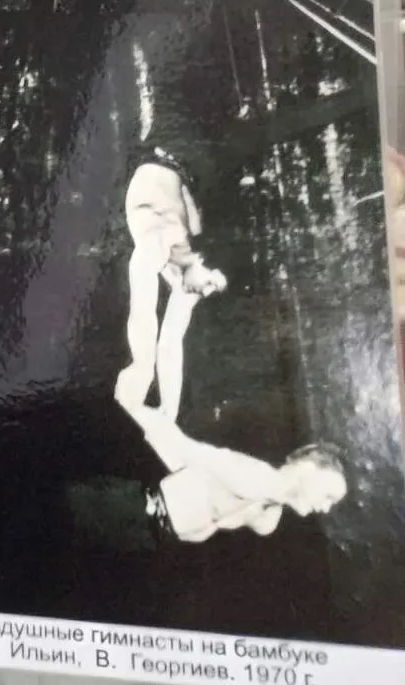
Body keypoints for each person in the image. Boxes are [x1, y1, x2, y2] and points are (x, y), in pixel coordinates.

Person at [106, 397, 347, 544]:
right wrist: (132, 406)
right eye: (328, 496)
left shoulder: (268, 517)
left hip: (147, 536)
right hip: (129, 508)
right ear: (307, 468)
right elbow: (183, 448)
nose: (326, 508)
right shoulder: (255, 477)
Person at [114, 154, 227, 422]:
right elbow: (142, 312)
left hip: (169, 176)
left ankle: (167, 409)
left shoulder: (189, 281)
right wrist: (142, 369)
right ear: (202, 260)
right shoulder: (162, 238)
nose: (205, 292)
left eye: (210, 290)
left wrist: (169, 411)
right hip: (159, 157)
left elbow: (171, 343)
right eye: (210, 283)